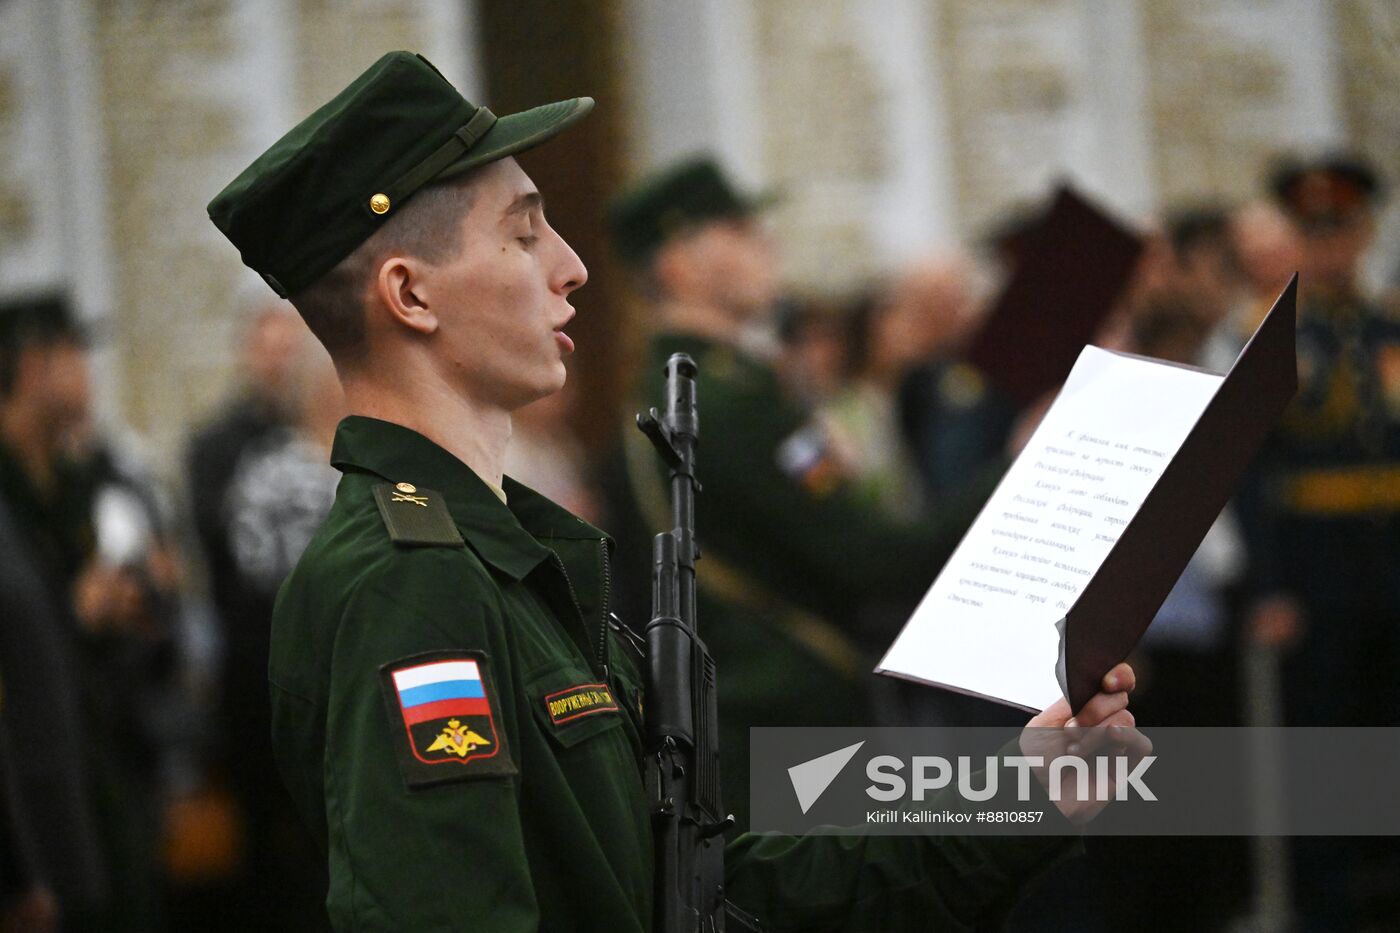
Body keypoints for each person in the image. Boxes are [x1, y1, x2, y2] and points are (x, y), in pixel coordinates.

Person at [208, 51, 1141, 931]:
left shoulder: (506, 557)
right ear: (410, 296)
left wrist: (1021, 798)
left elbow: (704, 885)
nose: (571, 267)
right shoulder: (408, 586)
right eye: (524, 232)